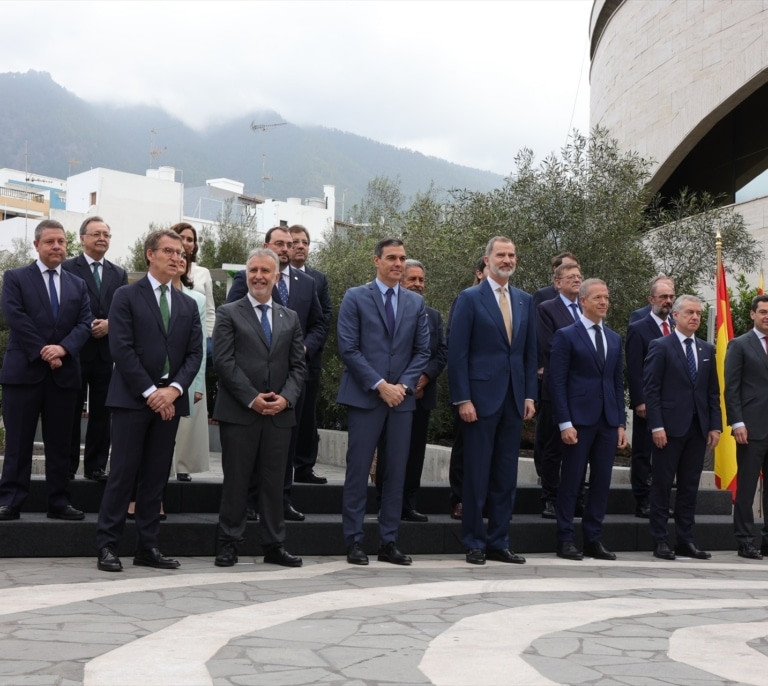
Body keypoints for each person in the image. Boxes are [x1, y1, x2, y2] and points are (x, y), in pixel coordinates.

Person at [95, 229, 203, 572]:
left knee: (156, 477)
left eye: (181, 253)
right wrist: (151, 392)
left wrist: (173, 391)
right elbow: (121, 349)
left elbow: (195, 353)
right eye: (169, 251)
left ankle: (147, 547)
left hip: (170, 402)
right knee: (123, 474)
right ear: (149, 254)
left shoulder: (188, 302)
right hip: (132, 400)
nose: (177, 258)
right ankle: (108, 546)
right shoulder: (126, 296)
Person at [337, 238, 430, 566]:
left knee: (395, 472)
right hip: (365, 398)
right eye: (391, 258)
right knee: (358, 469)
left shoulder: (416, 304)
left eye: (402, 258)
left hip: (401, 401)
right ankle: (354, 540)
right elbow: (348, 348)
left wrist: (402, 386)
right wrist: (380, 385)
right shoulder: (355, 297)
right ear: (376, 261)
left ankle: (389, 540)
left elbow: (422, 351)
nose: (398, 263)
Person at [213, 248, 306, 568]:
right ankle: (228, 543)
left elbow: (298, 367)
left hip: (279, 416)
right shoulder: (229, 313)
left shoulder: (290, 317)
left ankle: (274, 545)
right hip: (240, 413)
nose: (258, 276)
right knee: (236, 482)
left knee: (273, 483)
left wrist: (286, 398)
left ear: (277, 277)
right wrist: (252, 398)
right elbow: (222, 362)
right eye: (253, 270)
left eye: (265, 271)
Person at [448, 236, 537, 566]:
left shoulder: (525, 300)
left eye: (512, 255)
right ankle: (473, 541)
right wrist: (463, 399)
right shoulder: (469, 299)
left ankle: (499, 540)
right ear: (487, 261)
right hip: (479, 402)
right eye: (501, 254)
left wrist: (529, 394)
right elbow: (458, 354)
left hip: (513, 400)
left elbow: (528, 354)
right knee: (476, 474)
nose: (508, 260)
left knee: (505, 476)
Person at [228, 226, 326, 522]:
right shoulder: (245, 278)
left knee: (287, 442)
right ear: (267, 245)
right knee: (251, 448)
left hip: (292, 379)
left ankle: (282, 501)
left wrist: (303, 349)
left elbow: (319, 323)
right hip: (253, 380)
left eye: (290, 244)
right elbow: (230, 318)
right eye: (280, 243)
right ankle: (248, 502)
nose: (286, 248)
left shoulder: (307, 283)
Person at [0, 219, 92, 521]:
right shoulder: (15, 277)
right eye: (51, 241)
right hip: (24, 373)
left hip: (63, 375)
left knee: (61, 443)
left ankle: (59, 502)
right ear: (37, 245)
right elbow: (15, 316)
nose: (57, 247)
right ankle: (11, 500)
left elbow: (84, 324)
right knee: (18, 441)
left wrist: (62, 349)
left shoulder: (78, 284)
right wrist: (44, 350)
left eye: (62, 242)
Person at [549, 278, 627, 561]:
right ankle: (566, 539)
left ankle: (593, 539)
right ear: (583, 301)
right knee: (571, 481)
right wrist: (564, 422)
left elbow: (618, 383)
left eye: (606, 297)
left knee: (601, 482)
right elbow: (557, 383)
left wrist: (620, 423)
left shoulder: (614, 338)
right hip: (578, 422)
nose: (604, 302)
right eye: (598, 298)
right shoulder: (566, 335)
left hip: (607, 421)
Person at [643, 295, 721, 561]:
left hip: (697, 429)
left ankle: (685, 540)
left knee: (689, 487)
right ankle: (660, 539)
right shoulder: (660, 346)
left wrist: (715, 426)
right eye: (690, 312)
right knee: (663, 485)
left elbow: (712, 392)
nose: (696, 317)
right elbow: (651, 390)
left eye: (699, 313)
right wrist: (656, 425)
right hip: (669, 428)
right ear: (675, 315)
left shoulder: (706, 349)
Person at [375, 259, 447, 522]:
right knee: (390, 452)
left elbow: (441, 352)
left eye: (421, 280)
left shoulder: (434, 315)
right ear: (400, 282)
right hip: (394, 396)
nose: (418, 285)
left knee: (415, 453)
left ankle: (409, 503)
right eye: (412, 279)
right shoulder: (388, 311)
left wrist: (425, 378)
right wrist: (405, 382)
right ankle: (385, 502)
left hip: (421, 396)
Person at [62, 216, 127, 482]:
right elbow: (63, 305)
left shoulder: (118, 272)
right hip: (75, 349)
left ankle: (96, 467)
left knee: (102, 411)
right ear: (82, 238)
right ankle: (66, 466)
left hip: (105, 352)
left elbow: (124, 309)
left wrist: (111, 324)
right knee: (71, 409)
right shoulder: (67, 267)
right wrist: (85, 325)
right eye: (96, 234)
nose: (102, 238)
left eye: (107, 235)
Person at [536, 262, 584, 520]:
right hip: (557, 388)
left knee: (578, 447)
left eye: (579, 276)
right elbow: (549, 346)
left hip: (582, 391)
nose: (576, 280)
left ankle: (575, 496)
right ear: (557, 283)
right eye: (571, 277)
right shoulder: (547, 309)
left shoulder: (585, 309)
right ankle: (550, 498)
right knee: (554, 446)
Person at [624, 276, 675, 518]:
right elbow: (634, 368)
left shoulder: (677, 325)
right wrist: (640, 400)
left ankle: (661, 501)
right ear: (650, 299)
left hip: (673, 403)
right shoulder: (638, 327)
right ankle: (642, 500)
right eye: (663, 297)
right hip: (648, 402)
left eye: (671, 297)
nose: (668, 301)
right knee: (643, 453)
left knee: (665, 456)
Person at [724, 294, 768, 559]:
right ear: (752, 314)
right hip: (750, 429)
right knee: (748, 487)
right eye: (762, 312)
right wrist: (737, 421)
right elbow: (732, 387)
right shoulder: (739, 345)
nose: (766, 317)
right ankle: (745, 540)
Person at [288, 224, 332, 484]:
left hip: (308, 359)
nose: (300, 246)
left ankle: (304, 467)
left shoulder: (318, 279)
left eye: (305, 242)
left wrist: (305, 347)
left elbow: (324, 317)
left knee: (307, 415)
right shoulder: (272, 275)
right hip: (277, 361)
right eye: (295, 242)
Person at [172, 222, 215, 481]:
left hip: (194, 348)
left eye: (191, 239)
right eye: (181, 238)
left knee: (191, 412)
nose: (186, 243)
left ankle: (184, 466)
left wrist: (207, 342)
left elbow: (209, 310)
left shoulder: (202, 274)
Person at [446, 256, 487, 520]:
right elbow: (455, 347)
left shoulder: (514, 302)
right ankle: (459, 499)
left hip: (499, 389)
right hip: (471, 389)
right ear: (480, 273)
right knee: (464, 446)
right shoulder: (466, 299)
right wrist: (463, 395)